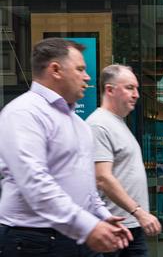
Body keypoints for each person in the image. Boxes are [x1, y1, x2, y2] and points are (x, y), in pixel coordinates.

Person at [0, 38, 133, 256]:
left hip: (76, 236)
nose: (87, 77)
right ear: (55, 70)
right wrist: (88, 226)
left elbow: (84, 183)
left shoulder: (78, 124)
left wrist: (100, 215)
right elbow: (35, 182)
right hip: (33, 241)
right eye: (80, 69)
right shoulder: (23, 113)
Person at [87, 64, 162, 257]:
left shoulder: (118, 123)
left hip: (130, 226)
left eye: (136, 88)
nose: (136, 94)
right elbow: (102, 178)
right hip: (113, 227)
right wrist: (139, 212)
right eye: (129, 88)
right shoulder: (98, 125)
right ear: (110, 90)